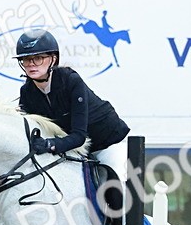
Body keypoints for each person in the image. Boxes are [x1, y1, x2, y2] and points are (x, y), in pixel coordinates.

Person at [15, 29, 130, 176]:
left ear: (53, 59)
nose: (31, 64)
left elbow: (79, 136)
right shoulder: (27, 92)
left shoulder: (71, 81)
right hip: (72, 149)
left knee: (117, 183)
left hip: (106, 142)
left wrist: (49, 144)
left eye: (38, 58)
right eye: (26, 59)